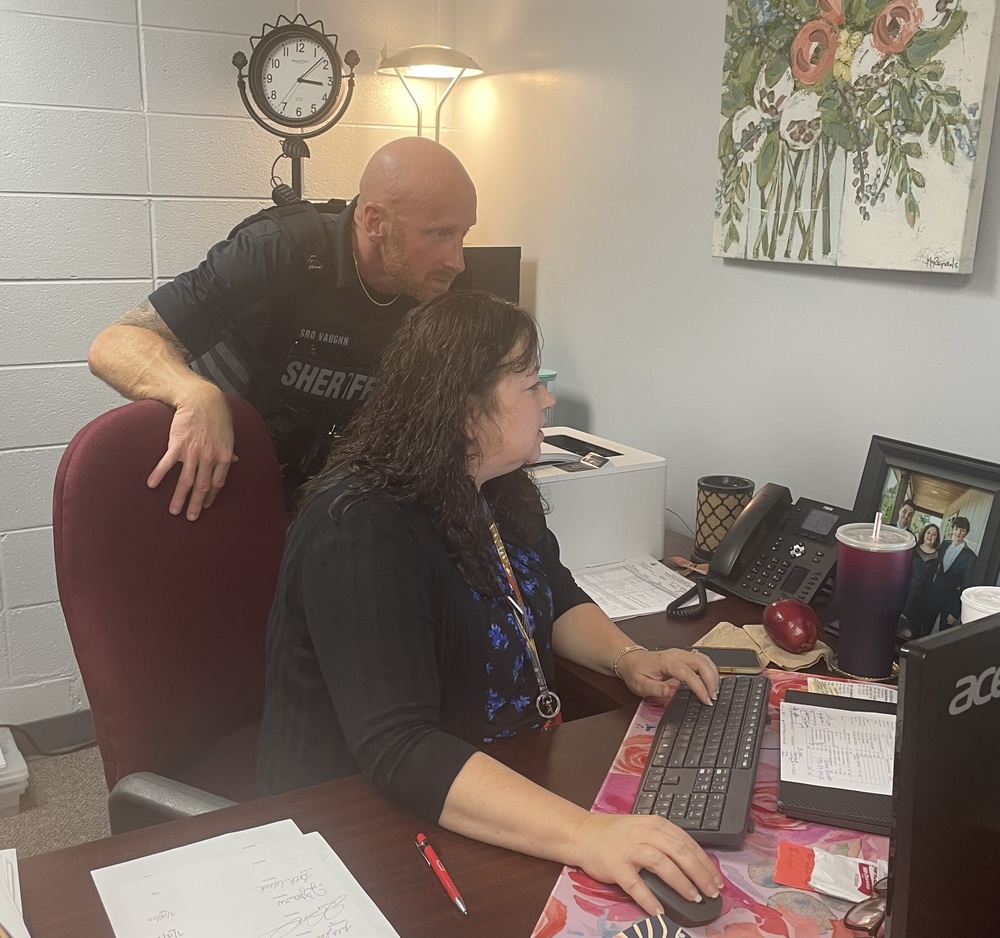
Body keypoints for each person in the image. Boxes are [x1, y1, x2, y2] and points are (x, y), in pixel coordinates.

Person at [255, 291, 725, 917]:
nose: (548, 400)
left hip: (488, 778)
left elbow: (551, 595)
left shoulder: (494, 487)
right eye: (531, 384)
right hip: (355, 825)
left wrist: (628, 658)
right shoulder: (360, 526)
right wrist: (588, 835)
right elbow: (401, 747)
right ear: (463, 409)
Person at [87, 136, 477, 518]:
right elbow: (116, 343)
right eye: (440, 234)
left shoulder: (433, 283)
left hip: (338, 499)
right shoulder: (276, 251)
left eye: (463, 234)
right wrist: (194, 393)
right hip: (223, 486)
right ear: (376, 222)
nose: (457, 261)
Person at [930, 516, 977, 631]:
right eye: (956, 529)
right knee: (923, 631)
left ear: (966, 533)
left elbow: (966, 586)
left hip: (950, 603)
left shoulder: (971, 557)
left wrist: (956, 612)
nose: (958, 533)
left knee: (942, 637)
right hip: (933, 597)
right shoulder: (944, 545)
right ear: (952, 529)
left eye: (962, 530)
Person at [901, 523, 940, 640]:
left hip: (923, 598)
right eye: (928, 533)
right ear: (924, 533)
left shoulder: (938, 556)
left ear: (936, 538)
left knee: (913, 629)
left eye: (934, 534)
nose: (930, 536)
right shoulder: (913, 549)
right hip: (906, 592)